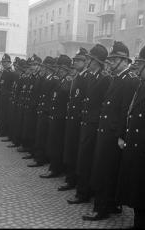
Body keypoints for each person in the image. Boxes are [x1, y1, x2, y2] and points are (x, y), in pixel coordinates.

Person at [82, 41, 139, 221]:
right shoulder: (118, 78)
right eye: (111, 59)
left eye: (114, 59)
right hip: (107, 130)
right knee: (106, 170)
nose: (111, 62)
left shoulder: (129, 80)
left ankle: (102, 208)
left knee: (106, 171)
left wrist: (121, 135)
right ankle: (111, 203)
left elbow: (125, 111)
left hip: (113, 134)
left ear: (124, 60)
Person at [115, 42, 145, 228]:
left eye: (140, 63)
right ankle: (138, 223)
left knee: (144, 194)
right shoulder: (143, 85)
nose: (137, 66)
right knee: (136, 192)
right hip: (134, 147)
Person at [67, 44, 111, 205]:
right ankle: (83, 191)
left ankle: (84, 193)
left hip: (94, 124)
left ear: (97, 61)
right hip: (86, 122)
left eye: (90, 59)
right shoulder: (92, 77)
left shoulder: (105, 78)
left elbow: (104, 104)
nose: (88, 62)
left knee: (88, 160)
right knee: (84, 158)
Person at [58, 48, 90, 191]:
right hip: (72, 118)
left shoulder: (87, 78)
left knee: (78, 152)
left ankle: (75, 180)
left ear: (85, 62)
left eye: (78, 60)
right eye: (75, 60)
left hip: (80, 120)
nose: (75, 62)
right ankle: (70, 179)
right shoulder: (77, 76)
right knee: (71, 149)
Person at [40, 55, 73, 177]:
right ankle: (54, 167)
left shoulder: (68, 81)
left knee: (57, 144)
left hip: (61, 117)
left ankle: (55, 169)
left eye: (58, 68)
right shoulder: (62, 80)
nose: (56, 70)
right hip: (56, 115)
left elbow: (63, 94)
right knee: (54, 143)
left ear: (63, 69)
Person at [15, 54, 42, 151]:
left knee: (31, 128)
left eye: (34, 65)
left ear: (39, 66)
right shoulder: (30, 77)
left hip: (34, 106)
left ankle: (29, 147)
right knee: (26, 126)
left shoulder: (39, 77)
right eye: (31, 65)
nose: (32, 67)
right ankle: (25, 145)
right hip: (27, 105)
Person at [0, 54, 16, 138]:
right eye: (3, 62)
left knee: (4, 115)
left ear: (9, 62)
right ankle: (0, 131)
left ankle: (3, 131)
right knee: (0, 114)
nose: (3, 64)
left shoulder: (11, 73)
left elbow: (12, 86)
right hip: (1, 96)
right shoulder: (4, 71)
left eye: (5, 62)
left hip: (6, 97)